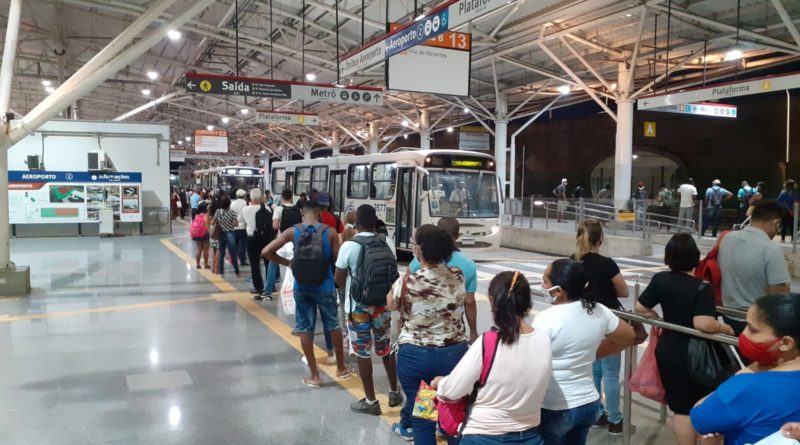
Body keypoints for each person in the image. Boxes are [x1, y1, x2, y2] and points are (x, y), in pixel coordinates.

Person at [430, 271, 553, 445]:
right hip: (530, 435)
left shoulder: (489, 342)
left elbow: (451, 391)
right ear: (527, 303)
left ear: (492, 301)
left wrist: (439, 382)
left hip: (483, 436)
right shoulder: (544, 340)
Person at [634, 233, 734, 445]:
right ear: (695, 257)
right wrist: (726, 328)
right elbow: (703, 323)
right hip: (698, 354)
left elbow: (640, 308)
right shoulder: (701, 286)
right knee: (708, 405)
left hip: (668, 349)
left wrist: (658, 319)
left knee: (680, 407)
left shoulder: (660, 279)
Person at [535, 259, 636, 445]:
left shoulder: (546, 319)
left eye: (545, 282)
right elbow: (628, 336)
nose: (542, 286)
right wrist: (594, 352)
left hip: (555, 405)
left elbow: (532, 364)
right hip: (588, 404)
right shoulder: (599, 310)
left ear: (559, 290)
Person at [387, 224, 469, 445]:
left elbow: (390, 304)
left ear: (418, 251)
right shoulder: (458, 276)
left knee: (424, 414)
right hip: (454, 357)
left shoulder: (408, 281)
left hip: (417, 358)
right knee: (453, 410)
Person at [263, 199, 353, 388]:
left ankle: (314, 376)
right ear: (320, 212)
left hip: (302, 287)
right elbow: (338, 261)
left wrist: (288, 263)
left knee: (305, 327)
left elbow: (266, 252)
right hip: (325, 286)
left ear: (303, 213)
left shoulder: (292, 231)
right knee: (333, 324)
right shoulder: (329, 232)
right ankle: (341, 368)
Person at [691, 294, 800, 445]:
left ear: (786, 343)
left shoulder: (747, 386)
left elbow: (700, 418)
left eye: (752, 330)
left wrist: (749, 370)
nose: (744, 334)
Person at [334, 204, 402, 415]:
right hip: (382, 306)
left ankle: (371, 401)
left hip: (357, 308)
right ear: (375, 222)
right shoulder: (386, 241)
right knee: (385, 348)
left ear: (356, 223)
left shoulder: (349, 245)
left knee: (362, 352)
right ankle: (393, 391)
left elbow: (339, 279)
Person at [571, 220, 631, 434]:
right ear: (601, 239)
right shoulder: (607, 264)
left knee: (593, 371)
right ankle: (615, 420)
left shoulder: (573, 262)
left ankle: (597, 414)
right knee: (611, 373)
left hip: (584, 322)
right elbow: (623, 292)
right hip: (609, 322)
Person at [719, 201, 791, 335]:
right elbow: (780, 295)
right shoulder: (771, 249)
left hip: (727, 315)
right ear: (776, 223)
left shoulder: (727, 238)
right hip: (758, 322)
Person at [409, 217, 478, 343]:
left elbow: (403, 291)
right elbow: (470, 302)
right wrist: (473, 331)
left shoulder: (419, 260)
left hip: (421, 334)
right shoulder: (469, 265)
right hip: (452, 335)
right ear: (457, 236)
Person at [239, 188, 275, 300]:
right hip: (266, 239)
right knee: (268, 263)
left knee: (254, 264)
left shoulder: (245, 209)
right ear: (260, 198)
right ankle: (270, 286)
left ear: (250, 197)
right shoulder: (267, 208)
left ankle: (258, 287)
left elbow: (241, 222)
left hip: (252, 238)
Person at [264, 189, 301, 296]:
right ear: (291, 197)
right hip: (296, 241)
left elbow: (275, 226)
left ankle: (268, 291)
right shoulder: (298, 210)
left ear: (281, 197)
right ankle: (295, 289)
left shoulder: (279, 209)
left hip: (282, 241)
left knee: (273, 263)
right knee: (296, 264)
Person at [211, 195, 241, 278]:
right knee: (233, 254)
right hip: (230, 233)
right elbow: (236, 224)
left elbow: (212, 222)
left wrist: (219, 222)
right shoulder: (232, 212)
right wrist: (230, 223)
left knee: (221, 253)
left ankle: (221, 272)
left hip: (221, 234)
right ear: (229, 204)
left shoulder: (218, 211)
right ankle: (237, 272)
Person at [231, 189, 249, 266]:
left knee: (235, 244)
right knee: (243, 245)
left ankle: (235, 259)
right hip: (243, 227)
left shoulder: (232, 204)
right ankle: (242, 260)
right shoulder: (246, 203)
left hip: (234, 227)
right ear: (244, 196)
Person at [191, 202, 210, 269]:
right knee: (205, 250)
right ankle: (206, 264)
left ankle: (198, 264)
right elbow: (207, 228)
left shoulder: (196, 215)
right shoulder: (206, 216)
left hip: (197, 234)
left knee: (198, 249)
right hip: (205, 235)